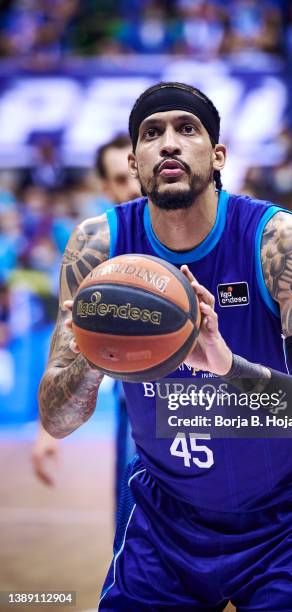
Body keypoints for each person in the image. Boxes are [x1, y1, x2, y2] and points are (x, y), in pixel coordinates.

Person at [38, 82, 292, 611]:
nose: (168, 143)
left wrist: (227, 365)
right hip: (163, 522)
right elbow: (57, 418)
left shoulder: (279, 242)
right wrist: (94, 350)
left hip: (285, 521)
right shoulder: (97, 249)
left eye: (186, 129)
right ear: (134, 160)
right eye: (152, 133)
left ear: (217, 156)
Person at [33, 135, 140, 503]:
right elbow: (67, 334)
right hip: (138, 402)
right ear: (107, 187)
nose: (134, 185)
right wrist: (49, 431)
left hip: (211, 404)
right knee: (133, 522)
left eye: (136, 171)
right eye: (121, 178)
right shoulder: (95, 248)